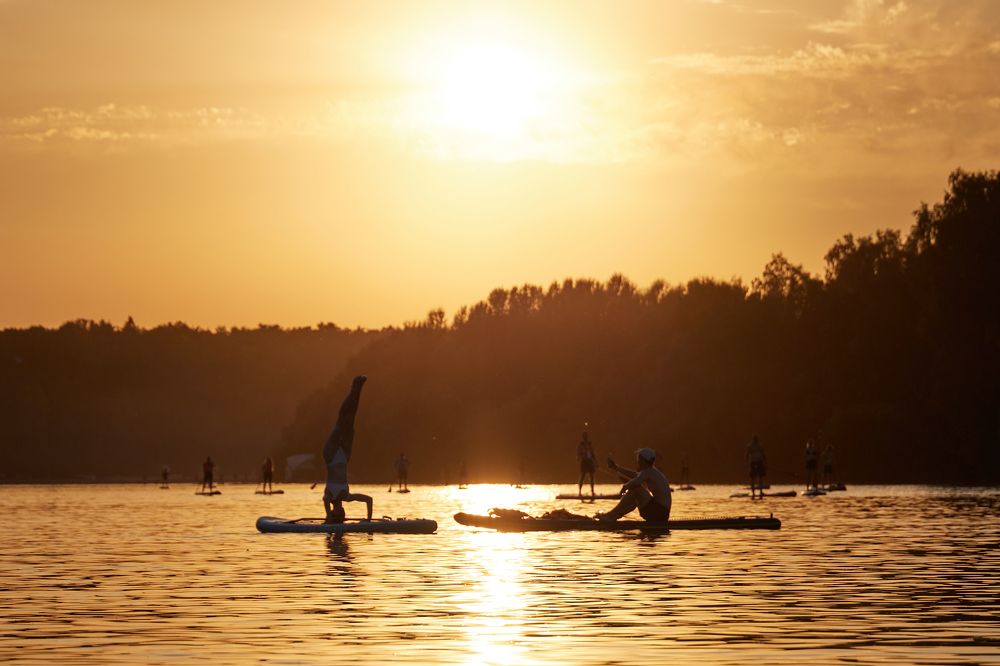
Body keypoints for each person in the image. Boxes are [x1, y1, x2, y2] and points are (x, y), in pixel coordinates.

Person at [323, 376, 373, 523]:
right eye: (343, 513)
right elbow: (369, 500)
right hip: (344, 456)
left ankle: (353, 388)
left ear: (334, 512)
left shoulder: (328, 497)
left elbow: (327, 511)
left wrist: (328, 517)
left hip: (330, 456)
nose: (342, 511)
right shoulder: (347, 497)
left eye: (339, 513)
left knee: (341, 421)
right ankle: (358, 390)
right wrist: (368, 520)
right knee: (350, 421)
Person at [598, 448, 671, 522]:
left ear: (642, 460)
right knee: (635, 493)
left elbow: (636, 482)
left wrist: (625, 487)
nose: (637, 461)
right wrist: (616, 467)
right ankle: (613, 516)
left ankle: (610, 516)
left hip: (660, 513)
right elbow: (636, 476)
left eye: (638, 459)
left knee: (636, 489)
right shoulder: (650, 471)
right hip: (660, 513)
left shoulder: (648, 472)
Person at [577, 431, 596, 498]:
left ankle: (592, 491)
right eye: (584, 436)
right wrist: (580, 456)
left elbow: (592, 453)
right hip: (584, 461)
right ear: (583, 437)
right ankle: (579, 492)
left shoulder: (589, 444)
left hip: (590, 461)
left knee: (591, 477)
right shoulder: (581, 444)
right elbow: (578, 454)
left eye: (586, 436)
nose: (585, 437)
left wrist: (595, 462)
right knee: (582, 476)